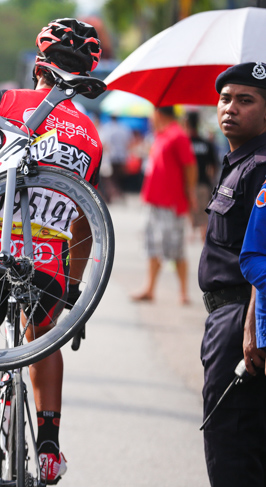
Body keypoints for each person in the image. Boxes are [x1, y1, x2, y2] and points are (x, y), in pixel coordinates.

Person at [0, 18, 103, 486]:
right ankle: (49, 447)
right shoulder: (90, 134)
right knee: (43, 337)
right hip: (49, 264)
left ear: (38, 65)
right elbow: (84, 222)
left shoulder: (8, 103)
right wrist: (73, 291)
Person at [199, 62, 266, 487]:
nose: (231, 108)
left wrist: (252, 327)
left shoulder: (261, 165)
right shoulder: (240, 162)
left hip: (244, 318)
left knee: (233, 443)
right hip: (227, 317)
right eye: (225, 98)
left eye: (246, 100)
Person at [131, 106, 196, 305]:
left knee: (175, 249)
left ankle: (183, 292)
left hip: (171, 202)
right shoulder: (160, 135)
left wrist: (190, 194)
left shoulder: (178, 135)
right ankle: (149, 288)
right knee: (152, 246)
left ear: (158, 113)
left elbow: (190, 166)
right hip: (153, 200)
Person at [185, 111, 219, 242]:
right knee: (203, 208)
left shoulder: (184, 142)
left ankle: (193, 232)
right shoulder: (206, 143)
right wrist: (210, 178)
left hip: (188, 183)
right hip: (203, 181)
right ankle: (202, 233)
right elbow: (214, 164)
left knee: (191, 208)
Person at [99, 114, 132, 201]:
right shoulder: (124, 128)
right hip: (122, 156)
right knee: (118, 177)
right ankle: (118, 193)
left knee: (109, 178)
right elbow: (128, 142)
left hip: (111, 156)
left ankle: (113, 194)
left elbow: (104, 143)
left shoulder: (106, 128)